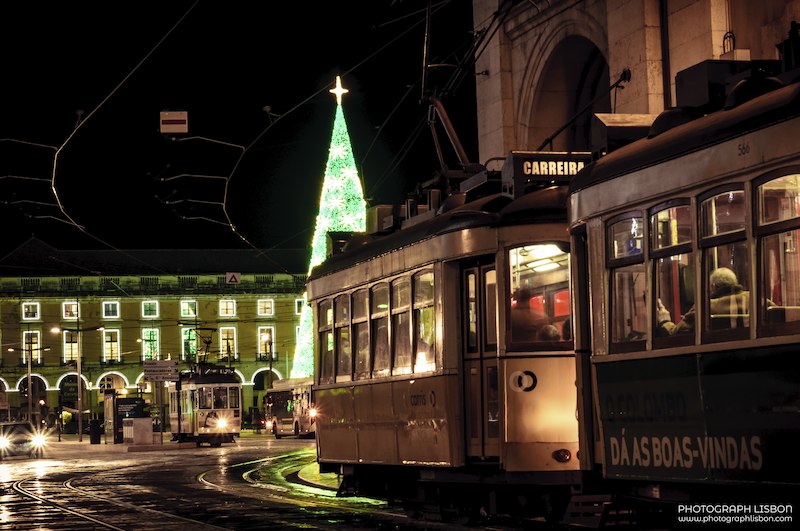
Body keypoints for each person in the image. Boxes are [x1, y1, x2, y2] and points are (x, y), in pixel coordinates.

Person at [657, 267, 749, 334]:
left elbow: (676, 335)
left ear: (713, 287)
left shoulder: (704, 308)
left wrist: (665, 321)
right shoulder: (753, 300)